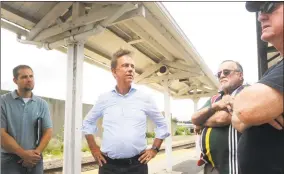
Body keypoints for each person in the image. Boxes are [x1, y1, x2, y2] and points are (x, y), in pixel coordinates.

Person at [82, 49, 170, 174]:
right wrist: (93, 148)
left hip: (137, 166)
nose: (130, 69)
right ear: (114, 72)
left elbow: (163, 125)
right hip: (108, 166)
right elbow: (87, 123)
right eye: (125, 65)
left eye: (132, 66)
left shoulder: (145, 98)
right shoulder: (104, 99)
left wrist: (154, 149)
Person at [231, 2, 284, 174]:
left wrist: (242, 109)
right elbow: (237, 121)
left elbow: (246, 110)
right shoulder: (275, 69)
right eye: (260, 11)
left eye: (269, 6)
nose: (261, 16)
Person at [192, 60, 247, 174]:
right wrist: (215, 107)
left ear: (240, 75)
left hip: (234, 165)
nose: (222, 75)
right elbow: (194, 118)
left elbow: (222, 118)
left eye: (226, 72)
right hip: (212, 165)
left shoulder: (246, 92)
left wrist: (201, 123)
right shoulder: (214, 99)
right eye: (219, 74)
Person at [1, 65, 53, 174]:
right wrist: (23, 154)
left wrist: (35, 154)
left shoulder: (42, 104)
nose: (29, 79)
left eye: (31, 76)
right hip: (10, 159)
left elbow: (48, 131)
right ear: (15, 80)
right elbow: (2, 134)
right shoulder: (3, 102)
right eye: (24, 77)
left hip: (35, 159)